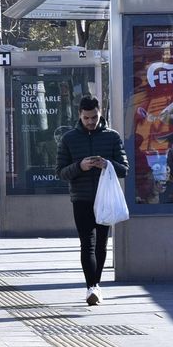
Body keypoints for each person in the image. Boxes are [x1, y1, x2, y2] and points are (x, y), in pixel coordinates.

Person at [56, 96, 128, 306]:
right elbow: (60, 172)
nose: (91, 121)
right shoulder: (68, 139)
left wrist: (107, 164)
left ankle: (96, 285)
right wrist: (81, 166)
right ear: (79, 115)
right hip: (82, 199)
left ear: (100, 112)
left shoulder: (112, 137)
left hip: (105, 198)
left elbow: (124, 168)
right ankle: (91, 287)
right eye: (87, 117)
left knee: (102, 245)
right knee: (87, 243)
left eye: (94, 117)